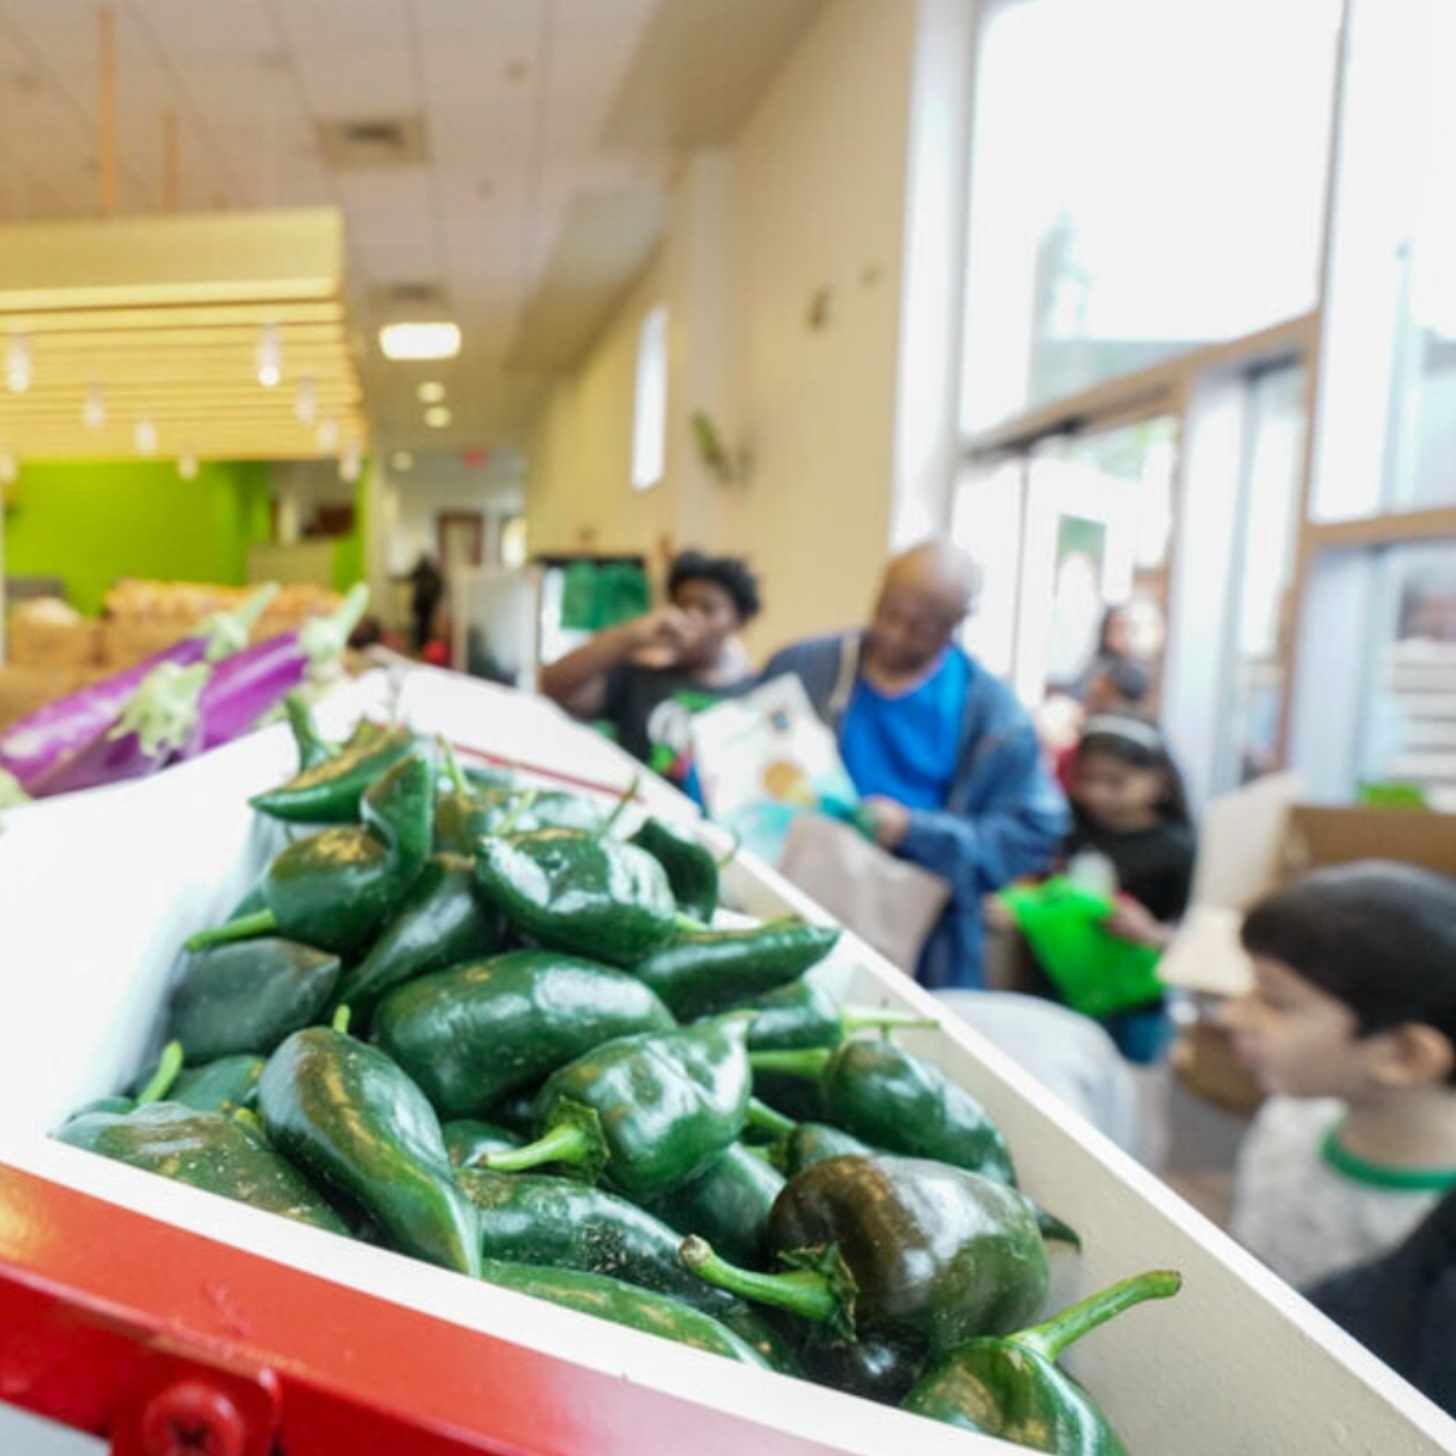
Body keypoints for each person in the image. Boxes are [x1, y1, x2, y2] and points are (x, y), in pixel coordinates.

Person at [759, 541, 1067, 989]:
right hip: (787, 897)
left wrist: (915, 831)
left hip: (923, 947)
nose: (896, 634)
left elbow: (1029, 835)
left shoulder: (995, 718)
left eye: (921, 628)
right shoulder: (805, 668)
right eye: (888, 613)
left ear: (958, 623)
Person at [1219, 862, 1456, 1288]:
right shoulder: (1287, 1121)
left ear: (1405, 1055)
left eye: (1275, 1001)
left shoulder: (1434, 1243)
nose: (1230, 1013)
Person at [539, 550, 760, 801]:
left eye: (707, 609)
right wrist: (630, 636)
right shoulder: (638, 680)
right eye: (681, 605)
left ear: (738, 621)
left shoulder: (756, 697)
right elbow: (552, 685)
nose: (690, 615)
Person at [1053, 657, 1151, 794]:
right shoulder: (1074, 747)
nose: (1088, 705)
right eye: (1091, 696)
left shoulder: (1139, 752)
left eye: (1098, 697)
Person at [408, 553, 445, 654]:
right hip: (423, 604)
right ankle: (421, 646)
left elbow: (439, 587)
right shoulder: (425, 572)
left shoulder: (432, 573)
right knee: (421, 626)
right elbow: (412, 576)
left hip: (426, 604)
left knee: (423, 626)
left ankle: (423, 647)